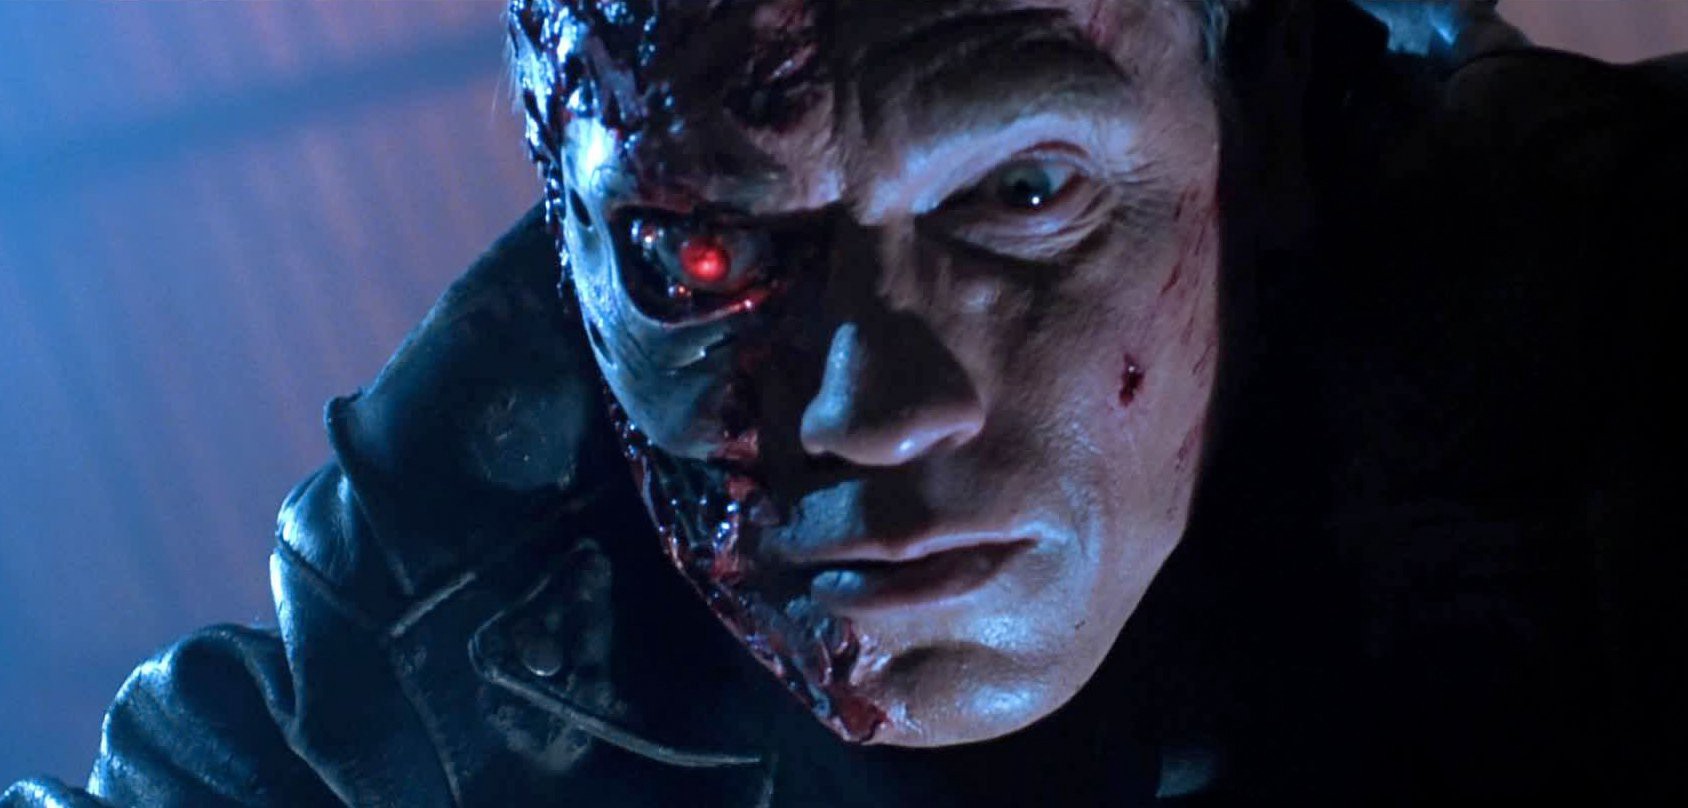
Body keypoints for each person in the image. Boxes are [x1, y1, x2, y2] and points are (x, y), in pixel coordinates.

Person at [5, 0, 1685, 803]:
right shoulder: (456, 618)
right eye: (709, 252)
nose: (865, 406)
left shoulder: (1608, 316)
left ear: (1264, 125)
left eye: (1024, 194)